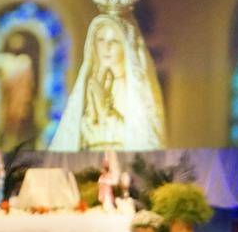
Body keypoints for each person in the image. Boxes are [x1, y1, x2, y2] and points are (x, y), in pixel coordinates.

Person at [50, 14, 167, 151]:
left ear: (126, 46)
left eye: (115, 41)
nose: (107, 47)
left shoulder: (134, 90)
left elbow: (141, 138)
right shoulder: (94, 83)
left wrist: (103, 108)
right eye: (101, 40)